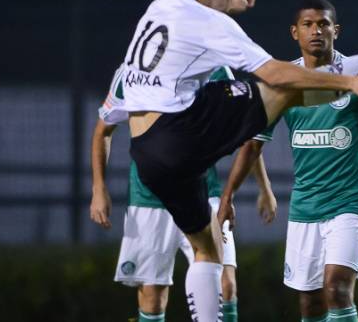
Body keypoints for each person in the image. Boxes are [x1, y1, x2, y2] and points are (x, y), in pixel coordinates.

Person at [116, 0, 358, 321]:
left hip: (145, 154)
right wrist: (348, 84)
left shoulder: (163, 3)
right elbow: (272, 71)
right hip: (178, 135)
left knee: (208, 252)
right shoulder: (210, 26)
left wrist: (230, 2)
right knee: (277, 90)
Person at [218, 0, 358, 322]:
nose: (316, 31)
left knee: (336, 289)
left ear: (335, 30)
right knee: (311, 305)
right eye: (308, 25)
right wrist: (229, 197)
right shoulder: (281, 82)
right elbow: (253, 144)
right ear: (295, 32)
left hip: (350, 203)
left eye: (323, 24)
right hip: (305, 206)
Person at [91, 65, 266, 322]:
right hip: (149, 198)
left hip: (204, 193)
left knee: (226, 286)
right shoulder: (132, 70)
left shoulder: (214, 69)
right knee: (152, 297)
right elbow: (103, 131)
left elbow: (246, 132)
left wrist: (264, 186)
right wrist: (98, 188)